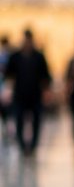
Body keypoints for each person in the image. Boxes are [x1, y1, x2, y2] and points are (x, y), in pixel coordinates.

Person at [3, 29, 52, 157]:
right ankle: (22, 146)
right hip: (19, 95)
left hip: (35, 95)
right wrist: (7, 90)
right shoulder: (16, 57)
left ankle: (33, 147)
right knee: (19, 120)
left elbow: (45, 77)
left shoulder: (39, 57)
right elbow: (9, 76)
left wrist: (46, 92)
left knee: (36, 121)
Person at [0, 35, 12, 144]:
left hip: (6, 88)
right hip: (5, 87)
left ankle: (7, 131)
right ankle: (7, 132)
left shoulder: (8, 56)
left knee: (7, 113)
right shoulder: (7, 55)